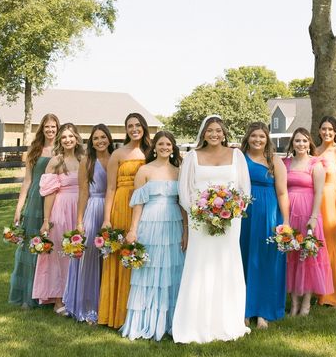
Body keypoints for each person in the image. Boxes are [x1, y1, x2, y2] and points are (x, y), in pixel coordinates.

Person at [172, 115, 251, 343]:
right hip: (200, 222)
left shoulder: (236, 155)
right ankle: (195, 324)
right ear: (203, 134)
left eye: (218, 130)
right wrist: (202, 213)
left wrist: (232, 211)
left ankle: (227, 321)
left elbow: (244, 189)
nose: (214, 134)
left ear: (224, 132)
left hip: (230, 221)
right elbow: (184, 192)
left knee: (227, 265)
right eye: (210, 131)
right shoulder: (192, 157)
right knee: (199, 266)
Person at [121, 131, 186, 341]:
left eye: (168, 144)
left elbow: (183, 204)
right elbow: (138, 203)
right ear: (155, 147)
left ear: (173, 147)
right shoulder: (145, 170)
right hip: (150, 222)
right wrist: (133, 229)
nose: (165, 147)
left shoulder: (179, 171)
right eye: (161, 144)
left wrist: (186, 230)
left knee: (171, 270)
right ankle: (145, 322)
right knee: (150, 270)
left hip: (174, 223)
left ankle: (169, 321)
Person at [97, 113, 150, 329]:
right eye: (130, 126)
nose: (134, 129)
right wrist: (106, 218)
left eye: (138, 125)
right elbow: (110, 188)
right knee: (120, 256)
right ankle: (117, 313)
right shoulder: (118, 153)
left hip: (147, 207)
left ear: (144, 127)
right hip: (121, 203)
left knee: (142, 253)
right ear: (125, 129)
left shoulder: (151, 151)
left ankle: (140, 313)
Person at [239, 122, 289, 328]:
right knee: (244, 259)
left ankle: (263, 312)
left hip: (268, 213)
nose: (257, 140)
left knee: (266, 261)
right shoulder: (238, 158)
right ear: (247, 138)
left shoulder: (274, 161)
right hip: (244, 214)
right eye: (254, 136)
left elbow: (282, 192)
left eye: (261, 136)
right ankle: (244, 309)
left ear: (267, 139)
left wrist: (285, 222)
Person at [64, 124, 114, 322]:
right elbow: (83, 192)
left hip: (113, 209)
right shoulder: (88, 160)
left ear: (109, 139)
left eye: (103, 137)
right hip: (93, 209)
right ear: (91, 142)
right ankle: (88, 306)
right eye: (96, 138)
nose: (100, 141)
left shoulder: (115, 158)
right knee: (91, 257)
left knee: (109, 257)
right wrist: (79, 220)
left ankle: (107, 304)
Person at [9, 114, 60, 308]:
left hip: (54, 201)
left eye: (53, 127)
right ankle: (28, 295)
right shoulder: (35, 149)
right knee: (31, 246)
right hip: (34, 202)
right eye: (47, 126)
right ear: (42, 129)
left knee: (51, 246)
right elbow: (27, 181)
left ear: (58, 128)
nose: (50, 130)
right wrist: (19, 207)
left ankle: (49, 294)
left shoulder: (62, 148)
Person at [32, 123, 84, 314]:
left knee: (79, 251)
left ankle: (77, 295)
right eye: (64, 137)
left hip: (80, 208)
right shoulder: (55, 161)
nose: (68, 140)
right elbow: (49, 193)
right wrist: (47, 220)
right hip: (61, 209)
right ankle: (58, 299)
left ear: (77, 138)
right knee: (60, 254)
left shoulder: (84, 159)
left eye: (71, 136)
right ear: (60, 140)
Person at [283, 128, 333, 316]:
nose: (301, 144)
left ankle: (306, 303)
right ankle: (294, 303)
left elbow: (319, 192)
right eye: (297, 141)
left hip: (308, 215)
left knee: (308, 255)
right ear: (292, 143)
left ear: (309, 143)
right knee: (292, 256)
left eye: (304, 141)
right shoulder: (285, 162)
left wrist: (313, 217)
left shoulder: (316, 163)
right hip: (289, 213)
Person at [315, 116, 336, 308]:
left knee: (330, 249)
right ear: (319, 130)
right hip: (314, 202)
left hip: (331, 202)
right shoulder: (314, 150)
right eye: (323, 129)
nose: (327, 132)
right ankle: (319, 291)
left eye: (330, 129)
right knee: (317, 248)